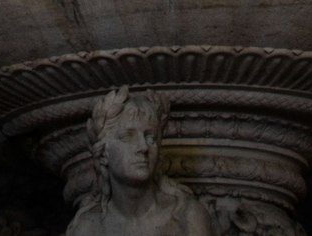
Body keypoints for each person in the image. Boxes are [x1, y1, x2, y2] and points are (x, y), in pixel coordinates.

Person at [66, 88, 214, 235]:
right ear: (103, 154)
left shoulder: (186, 217)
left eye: (150, 138)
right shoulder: (88, 227)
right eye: (128, 137)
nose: (143, 147)